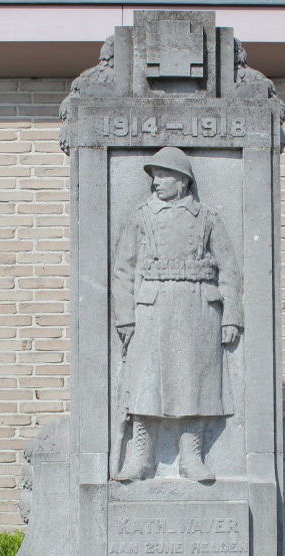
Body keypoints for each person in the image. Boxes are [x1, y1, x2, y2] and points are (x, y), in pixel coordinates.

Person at [111, 147, 242, 482]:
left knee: (195, 387)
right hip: (153, 310)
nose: (156, 182)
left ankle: (191, 459)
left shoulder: (207, 217)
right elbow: (123, 271)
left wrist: (231, 317)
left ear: (183, 181)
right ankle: (140, 459)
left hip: (198, 307)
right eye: (154, 175)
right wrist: (125, 317)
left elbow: (229, 269)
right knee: (145, 387)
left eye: (164, 174)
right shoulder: (141, 217)